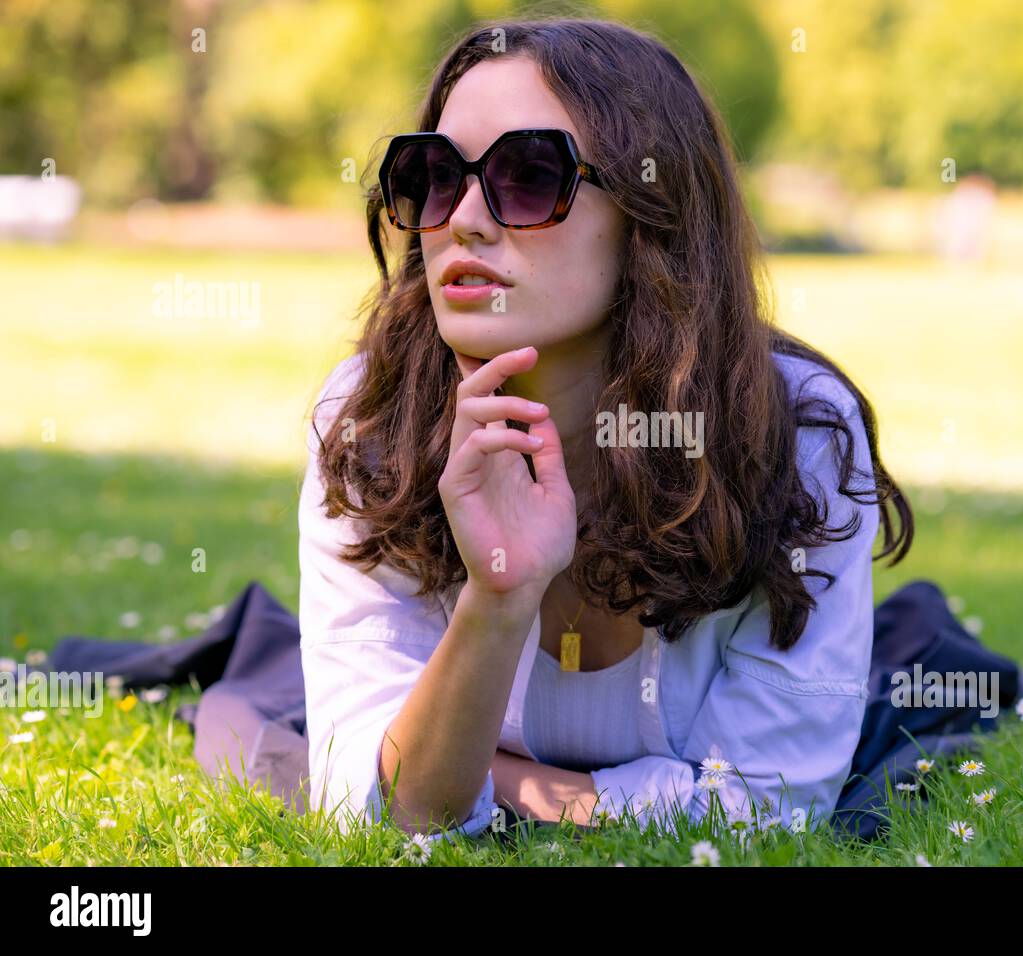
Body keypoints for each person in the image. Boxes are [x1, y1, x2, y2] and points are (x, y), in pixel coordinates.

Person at [298, 16, 912, 843]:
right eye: (434, 176)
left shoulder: (791, 435)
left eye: (527, 175)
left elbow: (770, 810)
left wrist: (513, 785)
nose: (466, 220)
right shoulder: (369, 423)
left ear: (649, 214)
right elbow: (389, 809)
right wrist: (500, 595)